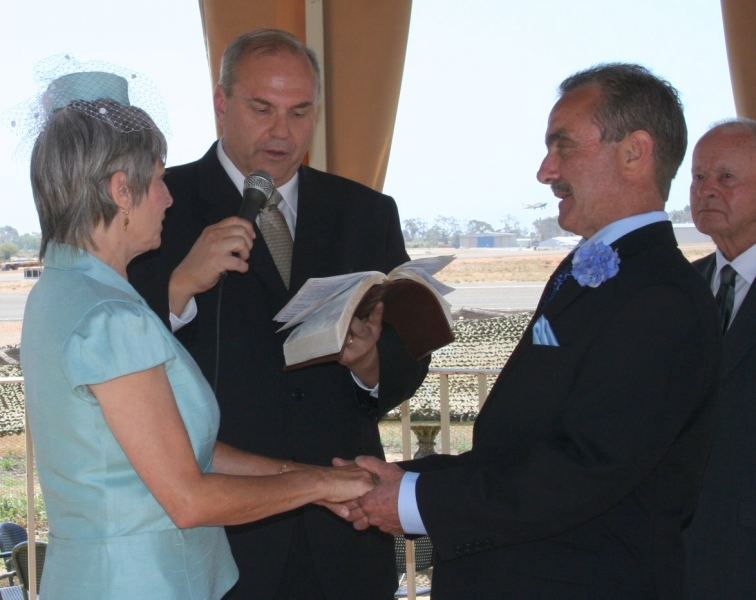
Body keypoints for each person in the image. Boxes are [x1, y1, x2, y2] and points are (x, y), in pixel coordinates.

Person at [338, 63, 722, 599]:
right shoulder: (602, 273)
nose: (546, 171)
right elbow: (522, 445)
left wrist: (415, 502)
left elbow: (585, 470)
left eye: (564, 146)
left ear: (635, 152)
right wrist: (406, 480)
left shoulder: (660, 297)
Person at [20, 72, 375, 600]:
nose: (167, 198)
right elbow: (189, 499)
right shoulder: (111, 317)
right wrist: (320, 484)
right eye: (157, 180)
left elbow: (185, 450)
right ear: (121, 190)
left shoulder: (62, 287)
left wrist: (304, 476)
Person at [127, 29, 429, 599]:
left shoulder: (365, 212)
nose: (282, 132)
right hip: (219, 531)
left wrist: (368, 362)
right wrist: (177, 290)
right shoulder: (159, 205)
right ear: (222, 104)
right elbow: (119, 351)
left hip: (344, 529)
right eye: (262, 109)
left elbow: (407, 355)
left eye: (300, 112)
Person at [685, 119, 756, 598]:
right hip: (675, 549)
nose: (706, 190)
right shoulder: (679, 288)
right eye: (698, 177)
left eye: (726, 177)